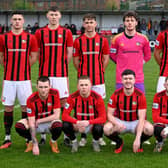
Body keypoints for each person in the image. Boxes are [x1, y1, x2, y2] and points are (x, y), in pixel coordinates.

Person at [35, 6, 73, 145]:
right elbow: (38, 53)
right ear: (47, 16)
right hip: (45, 74)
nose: (53, 17)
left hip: (61, 74)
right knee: (44, 102)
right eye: (51, 14)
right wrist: (45, 64)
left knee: (63, 103)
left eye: (56, 15)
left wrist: (61, 64)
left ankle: (65, 136)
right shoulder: (40, 32)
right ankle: (44, 136)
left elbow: (69, 52)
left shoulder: (66, 32)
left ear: (60, 16)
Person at [0, 11, 38, 149]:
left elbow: (34, 56)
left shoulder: (30, 38)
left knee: (25, 107)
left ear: (23, 22)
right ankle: (7, 137)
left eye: (19, 19)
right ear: (11, 21)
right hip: (9, 79)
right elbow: (1, 56)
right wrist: (9, 67)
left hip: (24, 80)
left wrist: (24, 67)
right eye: (14, 19)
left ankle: (27, 139)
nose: (17, 22)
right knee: (8, 107)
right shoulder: (4, 38)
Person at [73, 13, 109, 146]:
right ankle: (83, 136)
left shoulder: (103, 40)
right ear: (83, 24)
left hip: (99, 79)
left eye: (91, 22)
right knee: (82, 107)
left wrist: (100, 70)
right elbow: (76, 60)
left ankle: (98, 136)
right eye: (87, 22)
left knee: (98, 107)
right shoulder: (78, 41)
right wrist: (82, 73)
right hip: (83, 80)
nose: (89, 24)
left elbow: (105, 59)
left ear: (96, 24)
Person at [104, 69, 153, 153]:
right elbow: (109, 114)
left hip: (136, 122)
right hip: (121, 122)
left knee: (150, 129)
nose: (128, 81)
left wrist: (137, 139)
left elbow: (141, 118)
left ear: (134, 80)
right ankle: (119, 142)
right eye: (125, 79)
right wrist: (116, 124)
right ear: (122, 80)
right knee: (106, 129)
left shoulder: (140, 95)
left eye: (130, 79)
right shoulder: (116, 94)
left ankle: (140, 143)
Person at [15, 76, 62, 155]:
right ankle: (31, 142)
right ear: (36, 87)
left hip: (48, 122)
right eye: (40, 87)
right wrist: (35, 144)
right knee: (19, 126)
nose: (43, 90)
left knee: (58, 124)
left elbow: (57, 115)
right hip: (35, 124)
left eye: (46, 87)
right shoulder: (31, 99)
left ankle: (53, 142)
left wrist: (40, 120)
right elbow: (31, 122)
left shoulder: (55, 93)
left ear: (50, 86)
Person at [62, 75, 106, 153]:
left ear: (90, 86)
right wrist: (77, 122)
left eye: (86, 85)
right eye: (81, 85)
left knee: (99, 127)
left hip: (92, 125)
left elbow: (103, 117)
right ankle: (74, 141)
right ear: (77, 86)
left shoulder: (97, 98)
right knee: (65, 125)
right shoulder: (72, 97)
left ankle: (95, 142)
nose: (84, 87)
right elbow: (64, 115)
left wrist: (89, 122)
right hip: (78, 125)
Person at [110, 11, 151, 93]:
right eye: (127, 20)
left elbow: (148, 56)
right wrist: (121, 62)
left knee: (139, 104)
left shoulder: (143, 38)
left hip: (138, 78)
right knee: (121, 104)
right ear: (124, 23)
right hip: (121, 78)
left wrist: (139, 63)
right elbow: (112, 55)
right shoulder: (116, 39)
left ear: (136, 22)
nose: (130, 23)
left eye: (132, 20)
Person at [152, 77, 168, 152]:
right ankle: (160, 142)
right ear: (164, 85)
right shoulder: (158, 96)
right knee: (156, 128)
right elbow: (155, 117)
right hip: (163, 123)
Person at [154, 21, 168, 92]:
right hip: (165, 71)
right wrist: (163, 65)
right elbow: (156, 53)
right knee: (160, 96)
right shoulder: (163, 35)